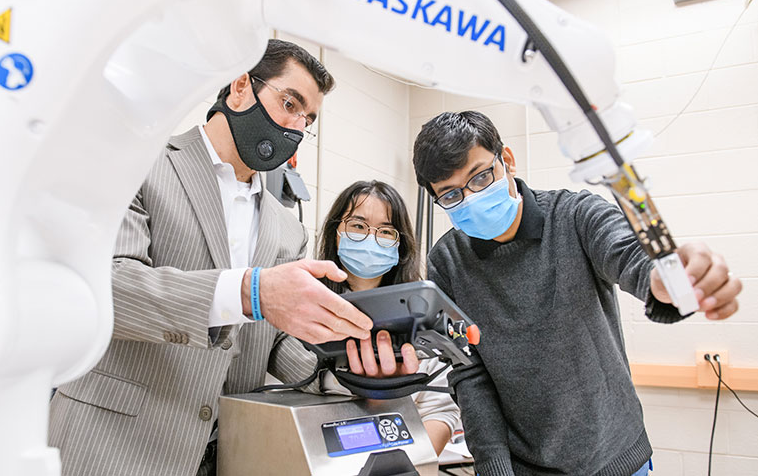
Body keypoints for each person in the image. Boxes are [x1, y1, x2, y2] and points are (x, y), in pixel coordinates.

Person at [48, 39, 416, 476]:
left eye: (308, 119)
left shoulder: (288, 228)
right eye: (289, 103)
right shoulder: (138, 163)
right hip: (113, 445)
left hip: (226, 454)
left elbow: (277, 342)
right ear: (241, 86)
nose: (296, 126)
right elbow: (108, 285)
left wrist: (349, 374)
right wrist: (248, 292)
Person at [412, 111, 742, 476]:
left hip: (616, 458)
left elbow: (630, 254)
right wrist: (494, 468)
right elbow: (468, 372)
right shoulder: (446, 260)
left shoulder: (576, 216)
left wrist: (665, 279)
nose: (471, 199)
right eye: (452, 194)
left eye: (481, 177)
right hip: (527, 467)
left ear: (506, 160)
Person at [317, 180, 461, 455]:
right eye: (358, 226)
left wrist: (405, 465)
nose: (371, 238)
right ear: (335, 233)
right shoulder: (310, 310)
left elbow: (440, 413)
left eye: (386, 231)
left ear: (401, 246)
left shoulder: (424, 317)